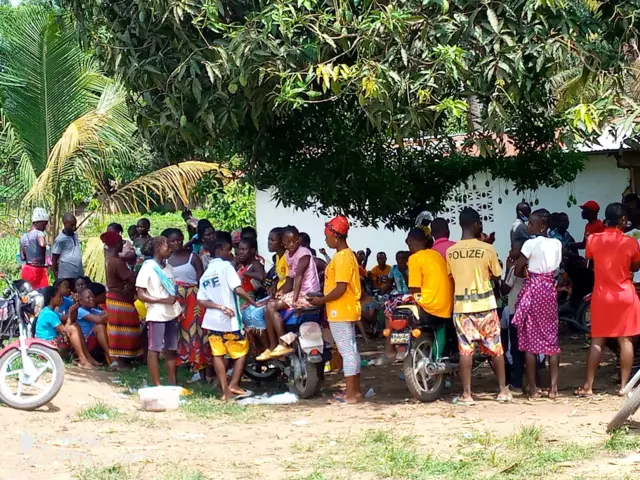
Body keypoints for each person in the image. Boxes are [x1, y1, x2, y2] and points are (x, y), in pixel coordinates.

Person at [446, 207, 511, 404]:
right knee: (495, 348)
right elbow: (497, 275)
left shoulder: (451, 252)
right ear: (475, 224)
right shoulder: (487, 249)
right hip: (485, 305)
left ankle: (467, 394)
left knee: (465, 350)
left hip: (462, 308)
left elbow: (452, 276)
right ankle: (503, 391)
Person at [576, 203, 640, 397]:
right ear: (622, 220)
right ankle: (623, 387)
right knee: (626, 340)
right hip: (625, 295)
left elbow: (589, 258)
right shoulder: (630, 242)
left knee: (597, 341)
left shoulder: (594, 239)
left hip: (602, 295)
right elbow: (635, 267)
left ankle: (588, 386)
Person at [308, 216, 362, 403]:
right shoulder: (347, 256)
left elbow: (340, 288)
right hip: (345, 309)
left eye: (327, 236)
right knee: (352, 350)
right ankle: (355, 391)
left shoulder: (342, 258)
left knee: (347, 352)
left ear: (336, 237)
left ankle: (350, 395)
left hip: (341, 310)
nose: (325, 240)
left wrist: (321, 300)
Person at [198, 238, 257, 400]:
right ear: (218, 251)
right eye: (227, 250)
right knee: (242, 352)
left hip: (212, 321)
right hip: (230, 320)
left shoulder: (206, 274)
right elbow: (237, 289)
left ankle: (225, 391)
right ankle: (234, 384)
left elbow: (201, 300)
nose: (231, 253)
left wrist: (218, 307)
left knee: (218, 355)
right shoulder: (226, 267)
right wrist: (253, 302)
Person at [512, 210, 563, 399]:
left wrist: (525, 270)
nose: (528, 227)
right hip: (550, 290)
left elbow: (518, 270)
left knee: (530, 342)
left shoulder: (529, 244)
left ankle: (533, 389)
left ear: (542, 226)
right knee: (551, 339)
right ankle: (554, 389)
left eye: (531, 224)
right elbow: (557, 266)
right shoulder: (557, 243)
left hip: (533, 291)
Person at [258, 226, 320, 359]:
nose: (292, 244)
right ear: (284, 243)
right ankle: (274, 344)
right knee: (268, 307)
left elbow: (298, 277)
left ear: (298, 240)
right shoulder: (288, 256)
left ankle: (283, 343)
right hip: (299, 292)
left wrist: (293, 300)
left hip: (307, 293)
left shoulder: (303, 253)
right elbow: (290, 278)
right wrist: (282, 293)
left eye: (295, 241)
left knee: (271, 306)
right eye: (288, 242)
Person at [164, 228, 212, 380]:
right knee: (176, 336)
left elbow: (201, 280)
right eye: (173, 240)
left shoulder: (193, 257)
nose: (177, 243)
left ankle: (202, 374)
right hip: (174, 301)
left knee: (197, 335)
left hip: (193, 301)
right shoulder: (164, 261)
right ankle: (174, 377)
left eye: (179, 239)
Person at [136, 236, 183, 386]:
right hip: (157, 312)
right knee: (154, 348)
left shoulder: (168, 268)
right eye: (166, 246)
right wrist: (163, 300)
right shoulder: (148, 267)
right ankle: (157, 384)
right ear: (157, 248)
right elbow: (141, 294)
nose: (169, 249)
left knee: (171, 348)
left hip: (171, 312)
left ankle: (172, 382)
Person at [102, 230, 142, 368]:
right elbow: (131, 278)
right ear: (118, 244)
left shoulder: (111, 260)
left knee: (122, 329)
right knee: (125, 329)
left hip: (118, 298)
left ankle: (123, 359)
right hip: (120, 300)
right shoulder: (117, 262)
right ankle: (122, 360)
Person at [35, 283, 98, 369]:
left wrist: (75, 305)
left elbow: (71, 319)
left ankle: (87, 358)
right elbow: (65, 331)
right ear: (51, 298)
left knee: (75, 326)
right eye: (59, 297)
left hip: (47, 346)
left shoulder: (51, 312)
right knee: (73, 328)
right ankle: (83, 360)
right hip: (46, 348)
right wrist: (70, 312)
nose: (62, 299)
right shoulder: (49, 314)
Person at [406, 228, 453, 319]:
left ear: (410, 241)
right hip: (447, 307)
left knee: (391, 304)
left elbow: (414, 289)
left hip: (430, 306)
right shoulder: (436, 254)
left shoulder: (415, 258)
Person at [76, 287, 112, 365]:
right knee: (99, 327)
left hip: (93, 341)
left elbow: (106, 314)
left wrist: (106, 315)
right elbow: (100, 320)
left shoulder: (91, 310)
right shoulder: (80, 311)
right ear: (81, 301)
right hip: (86, 344)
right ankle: (111, 358)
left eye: (92, 296)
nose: (92, 299)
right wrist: (103, 316)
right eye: (88, 297)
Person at [20, 208, 49, 289]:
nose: (45, 227)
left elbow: (22, 257)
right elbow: (42, 244)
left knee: (27, 295)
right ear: (37, 223)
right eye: (44, 224)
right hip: (38, 271)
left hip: (27, 269)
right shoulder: (39, 233)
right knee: (42, 295)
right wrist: (47, 245)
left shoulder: (23, 236)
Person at [51, 213, 83, 282]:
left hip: (78, 273)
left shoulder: (75, 236)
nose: (74, 227)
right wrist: (56, 276)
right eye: (71, 225)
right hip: (66, 275)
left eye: (74, 224)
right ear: (65, 224)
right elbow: (54, 259)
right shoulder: (60, 239)